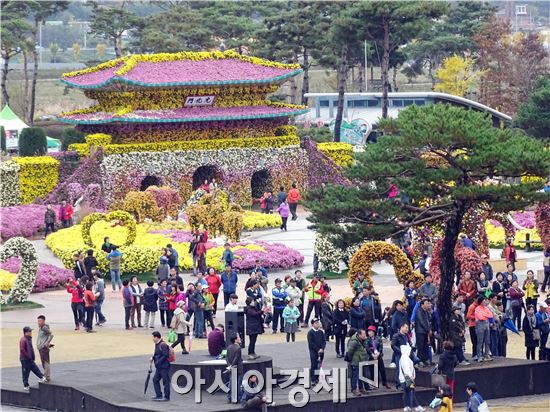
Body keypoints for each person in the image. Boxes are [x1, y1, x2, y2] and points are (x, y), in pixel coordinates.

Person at [399, 345, 424, 412]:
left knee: (406, 393)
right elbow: (407, 369)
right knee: (411, 392)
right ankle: (416, 406)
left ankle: (407, 406)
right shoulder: (405, 358)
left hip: (403, 379)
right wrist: (411, 377)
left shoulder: (403, 357)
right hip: (407, 379)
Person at [347, 328, 368, 396]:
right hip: (355, 361)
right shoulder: (354, 341)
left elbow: (366, 347)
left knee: (361, 375)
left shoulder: (362, 340)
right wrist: (351, 360)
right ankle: (354, 389)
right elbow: (350, 351)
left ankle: (361, 388)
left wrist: (365, 340)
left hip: (362, 360)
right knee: (355, 376)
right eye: (363, 334)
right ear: (359, 335)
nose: (365, 335)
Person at [150, 331, 170, 401]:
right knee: (155, 380)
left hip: (164, 366)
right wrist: (153, 358)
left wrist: (158, 361)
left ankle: (166, 397)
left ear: (156, 337)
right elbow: (157, 354)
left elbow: (166, 355)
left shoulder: (163, 344)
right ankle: (159, 395)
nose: (152, 339)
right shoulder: (157, 344)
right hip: (159, 367)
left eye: (153, 337)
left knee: (166, 381)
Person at [414, 298, 433, 366]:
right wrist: (428, 329)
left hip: (425, 331)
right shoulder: (419, 311)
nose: (428, 305)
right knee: (420, 346)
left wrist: (429, 329)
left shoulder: (426, 311)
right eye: (427, 303)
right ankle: (419, 360)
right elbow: (422, 322)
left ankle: (425, 359)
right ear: (422, 304)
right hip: (420, 331)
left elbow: (429, 321)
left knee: (425, 346)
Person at [307, 318, 325, 386]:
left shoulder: (321, 332)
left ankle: (317, 377)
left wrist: (322, 348)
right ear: (312, 324)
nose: (318, 324)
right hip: (313, 352)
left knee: (319, 365)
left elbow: (324, 341)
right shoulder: (310, 333)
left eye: (318, 322)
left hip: (321, 351)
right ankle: (313, 379)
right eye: (316, 323)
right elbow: (311, 343)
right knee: (314, 365)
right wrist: (318, 349)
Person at [474, 296, 493, 362]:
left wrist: (484, 315)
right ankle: (479, 356)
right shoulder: (477, 309)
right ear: (481, 302)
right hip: (480, 325)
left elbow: (490, 315)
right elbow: (480, 317)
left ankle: (486, 354)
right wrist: (485, 315)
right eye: (484, 300)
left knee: (487, 341)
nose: (485, 301)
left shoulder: (486, 308)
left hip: (486, 324)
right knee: (480, 341)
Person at [226, 334, 243, 403]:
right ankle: (238, 398)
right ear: (235, 340)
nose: (240, 339)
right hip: (238, 368)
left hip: (231, 368)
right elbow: (236, 358)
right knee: (238, 383)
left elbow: (226, 357)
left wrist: (229, 365)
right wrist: (232, 365)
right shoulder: (238, 348)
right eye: (238, 338)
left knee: (231, 382)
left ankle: (230, 396)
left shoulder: (229, 347)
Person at [36, 316, 53, 382]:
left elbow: (51, 335)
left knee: (45, 362)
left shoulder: (44, 328)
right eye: (38, 321)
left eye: (40, 321)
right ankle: (47, 376)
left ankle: (46, 376)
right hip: (41, 347)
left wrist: (47, 343)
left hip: (43, 348)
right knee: (44, 362)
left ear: (43, 321)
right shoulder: (41, 328)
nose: (38, 322)